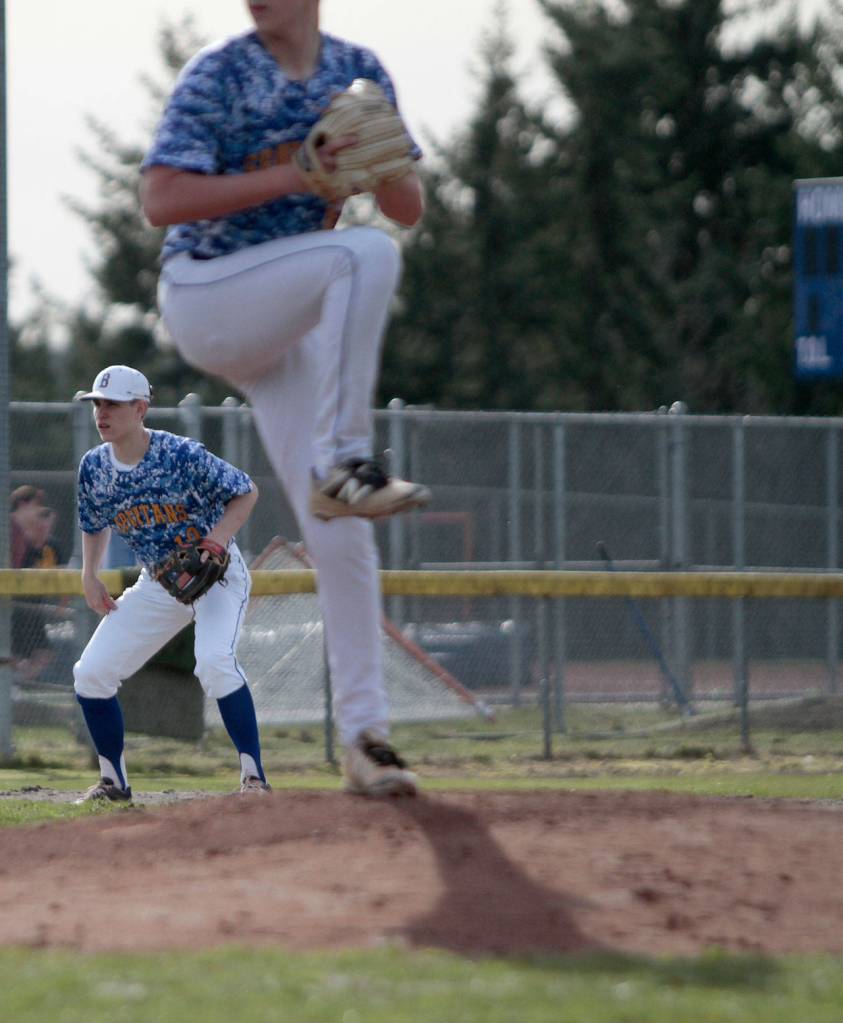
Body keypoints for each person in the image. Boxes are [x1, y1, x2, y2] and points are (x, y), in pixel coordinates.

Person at [140, 0, 425, 796]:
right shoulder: (221, 75)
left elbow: (409, 208)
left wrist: (381, 153)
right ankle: (344, 457)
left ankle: (367, 739)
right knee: (360, 255)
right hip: (206, 294)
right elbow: (160, 199)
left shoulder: (354, 74)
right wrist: (297, 175)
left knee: (337, 527)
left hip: (284, 312)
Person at [72, 364, 269, 803]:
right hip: (159, 582)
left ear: (140, 408)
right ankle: (114, 783)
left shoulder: (179, 454)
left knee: (214, 663)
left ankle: (254, 779)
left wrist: (216, 540)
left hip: (215, 575)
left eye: (114, 404)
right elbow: (93, 522)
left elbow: (246, 491)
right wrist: (90, 574)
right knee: (91, 674)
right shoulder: (95, 468)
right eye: (97, 403)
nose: (102, 412)